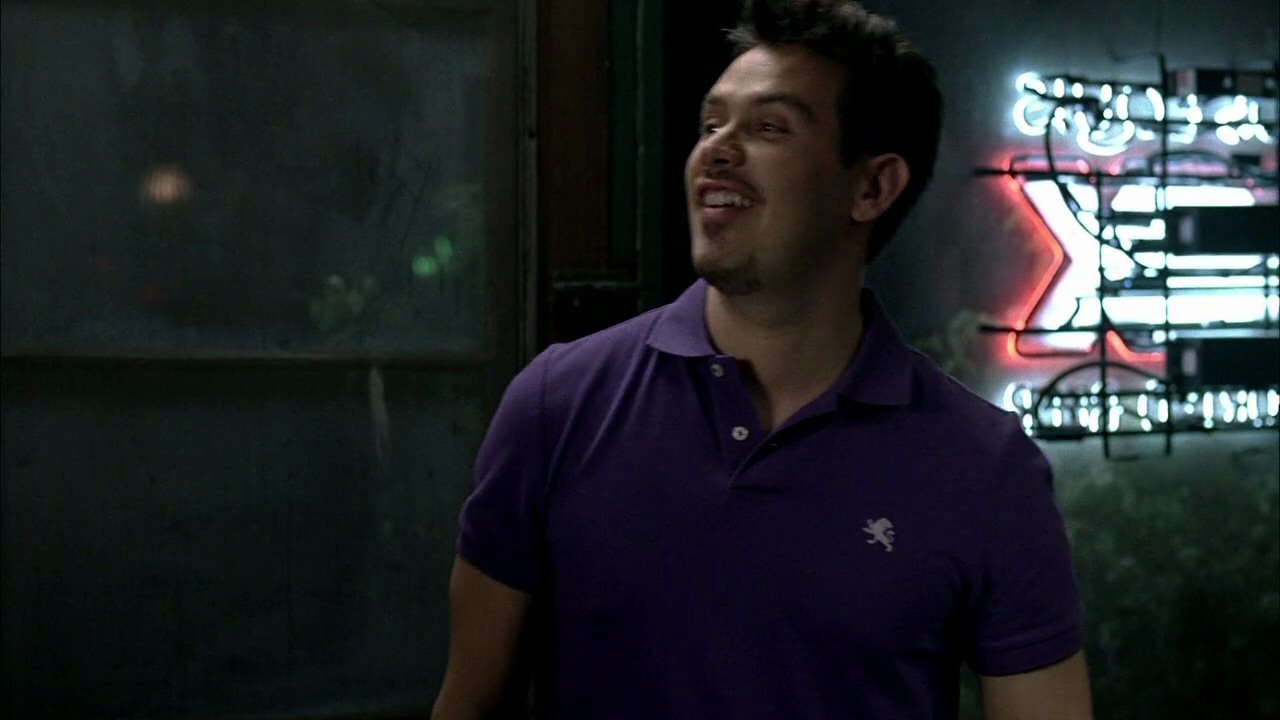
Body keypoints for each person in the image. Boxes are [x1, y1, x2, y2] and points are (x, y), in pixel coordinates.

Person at [432, 0, 1094, 717]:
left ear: (872, 187)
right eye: (711, 124)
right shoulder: (558, 405)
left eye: (769, 127)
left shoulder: (984, 467)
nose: (716, 151)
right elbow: (468, 701)